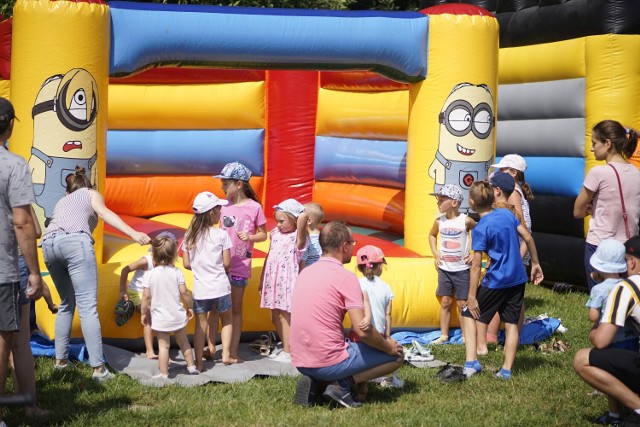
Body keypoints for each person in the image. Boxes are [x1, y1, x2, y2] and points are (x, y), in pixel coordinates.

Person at [41, 165, 150, 380]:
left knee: (65, 303)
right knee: (87, 307)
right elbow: (103, 212)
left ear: (67, 191)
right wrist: (133, 233)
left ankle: (60, 363)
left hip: (49, 245)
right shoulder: (91, 193)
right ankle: (98, 369)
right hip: (75, 243)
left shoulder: (63, 201)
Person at [290, 222, 404, 409]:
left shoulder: (305, 272)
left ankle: (317, 383)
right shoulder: (346, 277)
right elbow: (363, 330)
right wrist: (388, 347)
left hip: (300, 360)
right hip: (327, 361)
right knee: (398, 355)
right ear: (344, 246)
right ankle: (341, 384)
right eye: (353, 243)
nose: (353, 247)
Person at [461, 181, 543, 380]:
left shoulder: (481, 229)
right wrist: (535, 263)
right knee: (512, 323)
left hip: (496, 280)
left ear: (472, 202)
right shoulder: (507, 214)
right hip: (517, 279)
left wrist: (472, 296)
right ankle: (506, 370)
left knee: (468, 314)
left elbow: (475, 266)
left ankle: (472, 363)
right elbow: (529, 238)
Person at [0, 97, 43, 423]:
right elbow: (26, 223)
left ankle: (26, 405)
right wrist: (34, 272)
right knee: (11, 340)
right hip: (6, 269)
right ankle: (24, 406)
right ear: (11, 124)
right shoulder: (13, 165)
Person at [574, 235, 640, 426]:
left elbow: (601, 340)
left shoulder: (626, 288)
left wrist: (592, 333)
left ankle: (636, 406)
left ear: (633, 262)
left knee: (581, 359)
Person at [574, 120, 640, 290]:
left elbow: (577, 211)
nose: (591, 148)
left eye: (594, 143)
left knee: (601, 297)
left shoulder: (598, 173)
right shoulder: (636, 172)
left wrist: (590, 209)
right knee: (625, 299)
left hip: (600, 245)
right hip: (628, 246)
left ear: (607, 143)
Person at [214, 161, 267, 362]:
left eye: (225, 183)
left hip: (239, 266)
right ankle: (212, 348)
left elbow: (263, 234)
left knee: (235, 309)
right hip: (219, 265)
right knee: (214, 308)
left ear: (238, 184)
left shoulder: (254, 208)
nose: (222, 187)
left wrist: (251, 238)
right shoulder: (222, 206)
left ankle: (232, 351)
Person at [182, 191, 236, 371]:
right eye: (219, 208)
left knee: (200, 326)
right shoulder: (221, 234)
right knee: (227, 320)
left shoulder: (189, 236)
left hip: (201, 289)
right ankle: (226, 355)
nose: (221, 212)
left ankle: (198, 363)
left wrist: (200, 267)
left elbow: (186, 263)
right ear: (211, 213)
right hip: (220, 286)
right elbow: (227, 263)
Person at [141, 234, 199, 378]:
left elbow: (146, 297)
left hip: (160, 318)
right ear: (174, 255)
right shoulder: (177, 272)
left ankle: (164, 373)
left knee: (163, 346)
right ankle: (192, 367)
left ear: (153, 256)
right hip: (177, 315)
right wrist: (190, 306)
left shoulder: (150, 275)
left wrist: (143, 313)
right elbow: (185, 292)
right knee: (184, 343)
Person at [259, 198, 309, 362]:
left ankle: (289, 351)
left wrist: (299, 213)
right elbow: (269, 255)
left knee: (285, 316)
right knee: (275, 317)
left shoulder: (298, 238)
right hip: (272, 279)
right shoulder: (275, 233)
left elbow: (303, 218)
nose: (278, 224)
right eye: (277, 220)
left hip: (286, 281)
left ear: (294, 219)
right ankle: (288, 346)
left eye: (282, 221)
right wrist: (262, 279)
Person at [353, 245, 403, 399]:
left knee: (360, 359)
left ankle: (362, 388)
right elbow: (388, 314)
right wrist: (387, 335)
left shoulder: (357, 283)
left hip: (359, 331)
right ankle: (384, 378)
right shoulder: (386, 288)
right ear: (380, 265)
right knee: (392, 355)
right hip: (378, 335)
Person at [118, 233, 179, 359]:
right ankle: (149, 351)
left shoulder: (167, 263)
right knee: (150, 315)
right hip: (138, 293)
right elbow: (125, 270)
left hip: (153, 294)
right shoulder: (146, 261)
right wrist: (122, 291)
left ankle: (165, 346)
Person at [428, 184, 476, 345]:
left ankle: (464, 335)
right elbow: (432, 235)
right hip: (445, 269)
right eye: (438, 199)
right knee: (446, 301)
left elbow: (480, 231)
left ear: (454, 203)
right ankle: (444, 335)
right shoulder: (439, 221)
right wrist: (435, 253)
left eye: (442, 199)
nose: (438, 202)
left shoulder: (466, 220)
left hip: (462, 269)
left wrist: (474, 251)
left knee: (463, 303)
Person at [490, 154, 533, 265]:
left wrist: (517, 260)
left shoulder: (513, 192)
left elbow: (522, 225)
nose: (498, 172)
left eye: (502, 169)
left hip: (516, 251)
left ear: (514, 173)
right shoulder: (512, 189)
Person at [300, 202, 324, 270]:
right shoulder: (325, 238)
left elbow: (302, 263)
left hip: (309, 273)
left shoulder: (307, 241)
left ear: (309, 221)